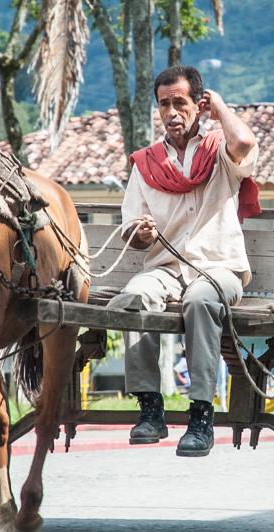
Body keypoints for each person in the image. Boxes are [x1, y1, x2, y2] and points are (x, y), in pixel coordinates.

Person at [107, 65, 259, 457]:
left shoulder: (221, 152)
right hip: (164, 270)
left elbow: (243, 141)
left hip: (219, 268)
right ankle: (150, 409)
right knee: (131, 299)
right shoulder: (146, 164)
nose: (171, 112)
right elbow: (130, 228)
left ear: (198, 104)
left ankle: (201, 415)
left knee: (200, 300)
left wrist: (220, 106)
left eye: (180, 102)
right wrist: (139, 234)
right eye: (164, 104)